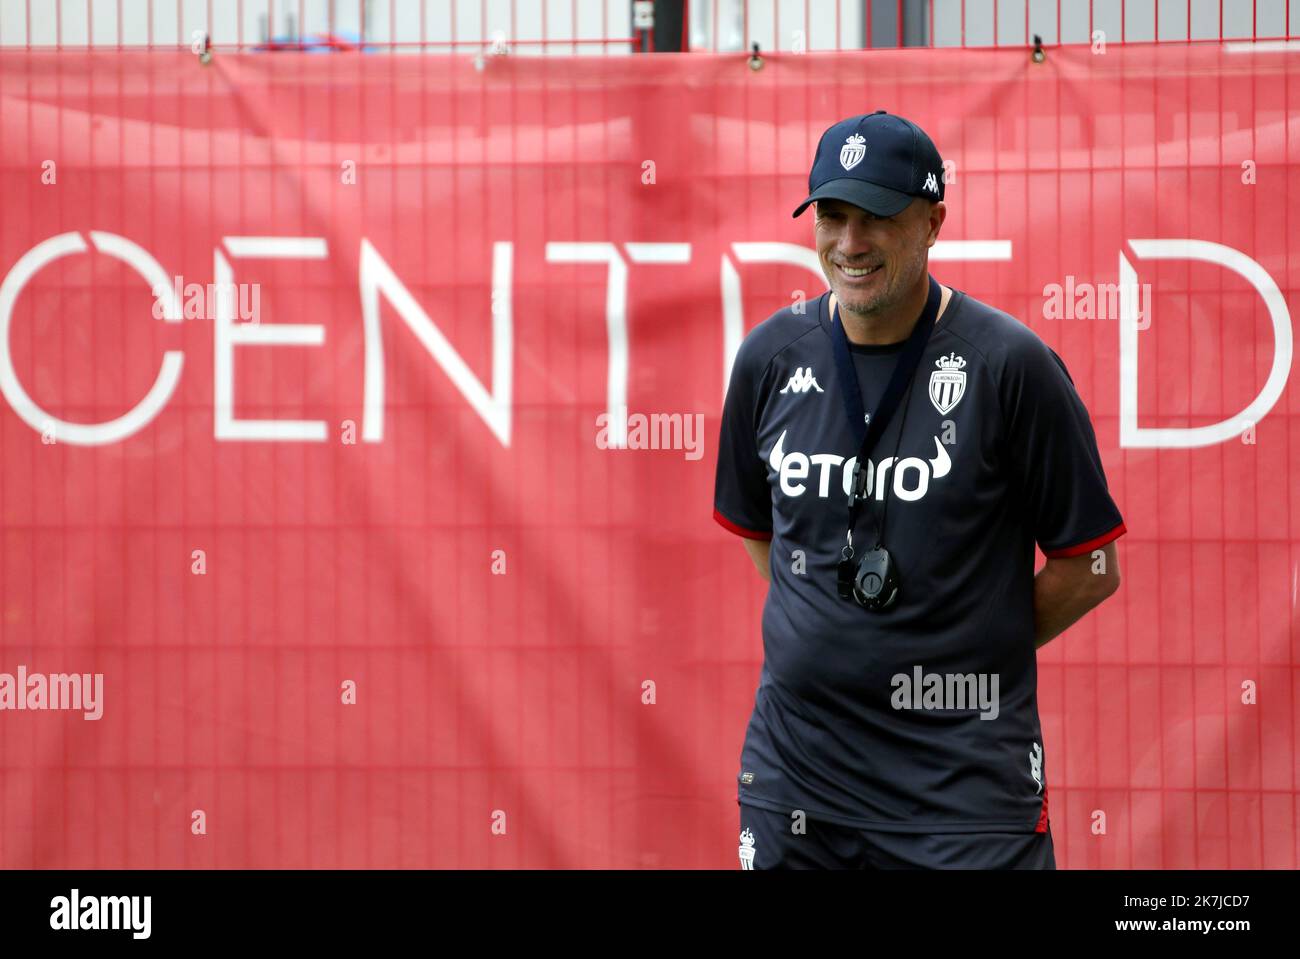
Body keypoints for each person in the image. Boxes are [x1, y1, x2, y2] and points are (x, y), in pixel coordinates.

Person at [714, 111, 1126, 869]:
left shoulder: (1012, 366)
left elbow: (1090, 565)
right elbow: (761, 530)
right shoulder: (769, 357)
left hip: (963, 789)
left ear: (933, 221)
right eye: (832, 216)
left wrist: (966, 645)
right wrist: (833, 630)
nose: (849, 243)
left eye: (876, 216)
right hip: (797, 783)